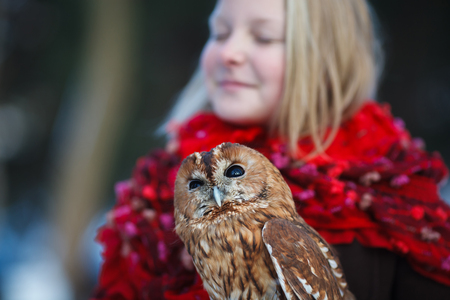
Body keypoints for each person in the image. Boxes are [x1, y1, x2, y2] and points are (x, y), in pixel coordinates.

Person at [92, 0, 450, 299]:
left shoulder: (394, 194)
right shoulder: (156, 187)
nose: (230, 52)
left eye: (262, 37)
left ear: (328, 57)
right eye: (219, 33)